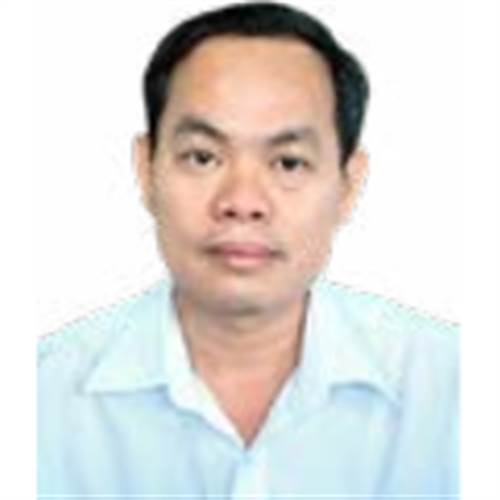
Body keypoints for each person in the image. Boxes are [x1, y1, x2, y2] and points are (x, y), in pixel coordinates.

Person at [37, 2, 459, 497]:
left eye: (288, 163)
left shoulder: (454, 390)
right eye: (203, 157)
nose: (242, 202)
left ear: (348, 185)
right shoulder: (38, 398)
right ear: (146, 170)